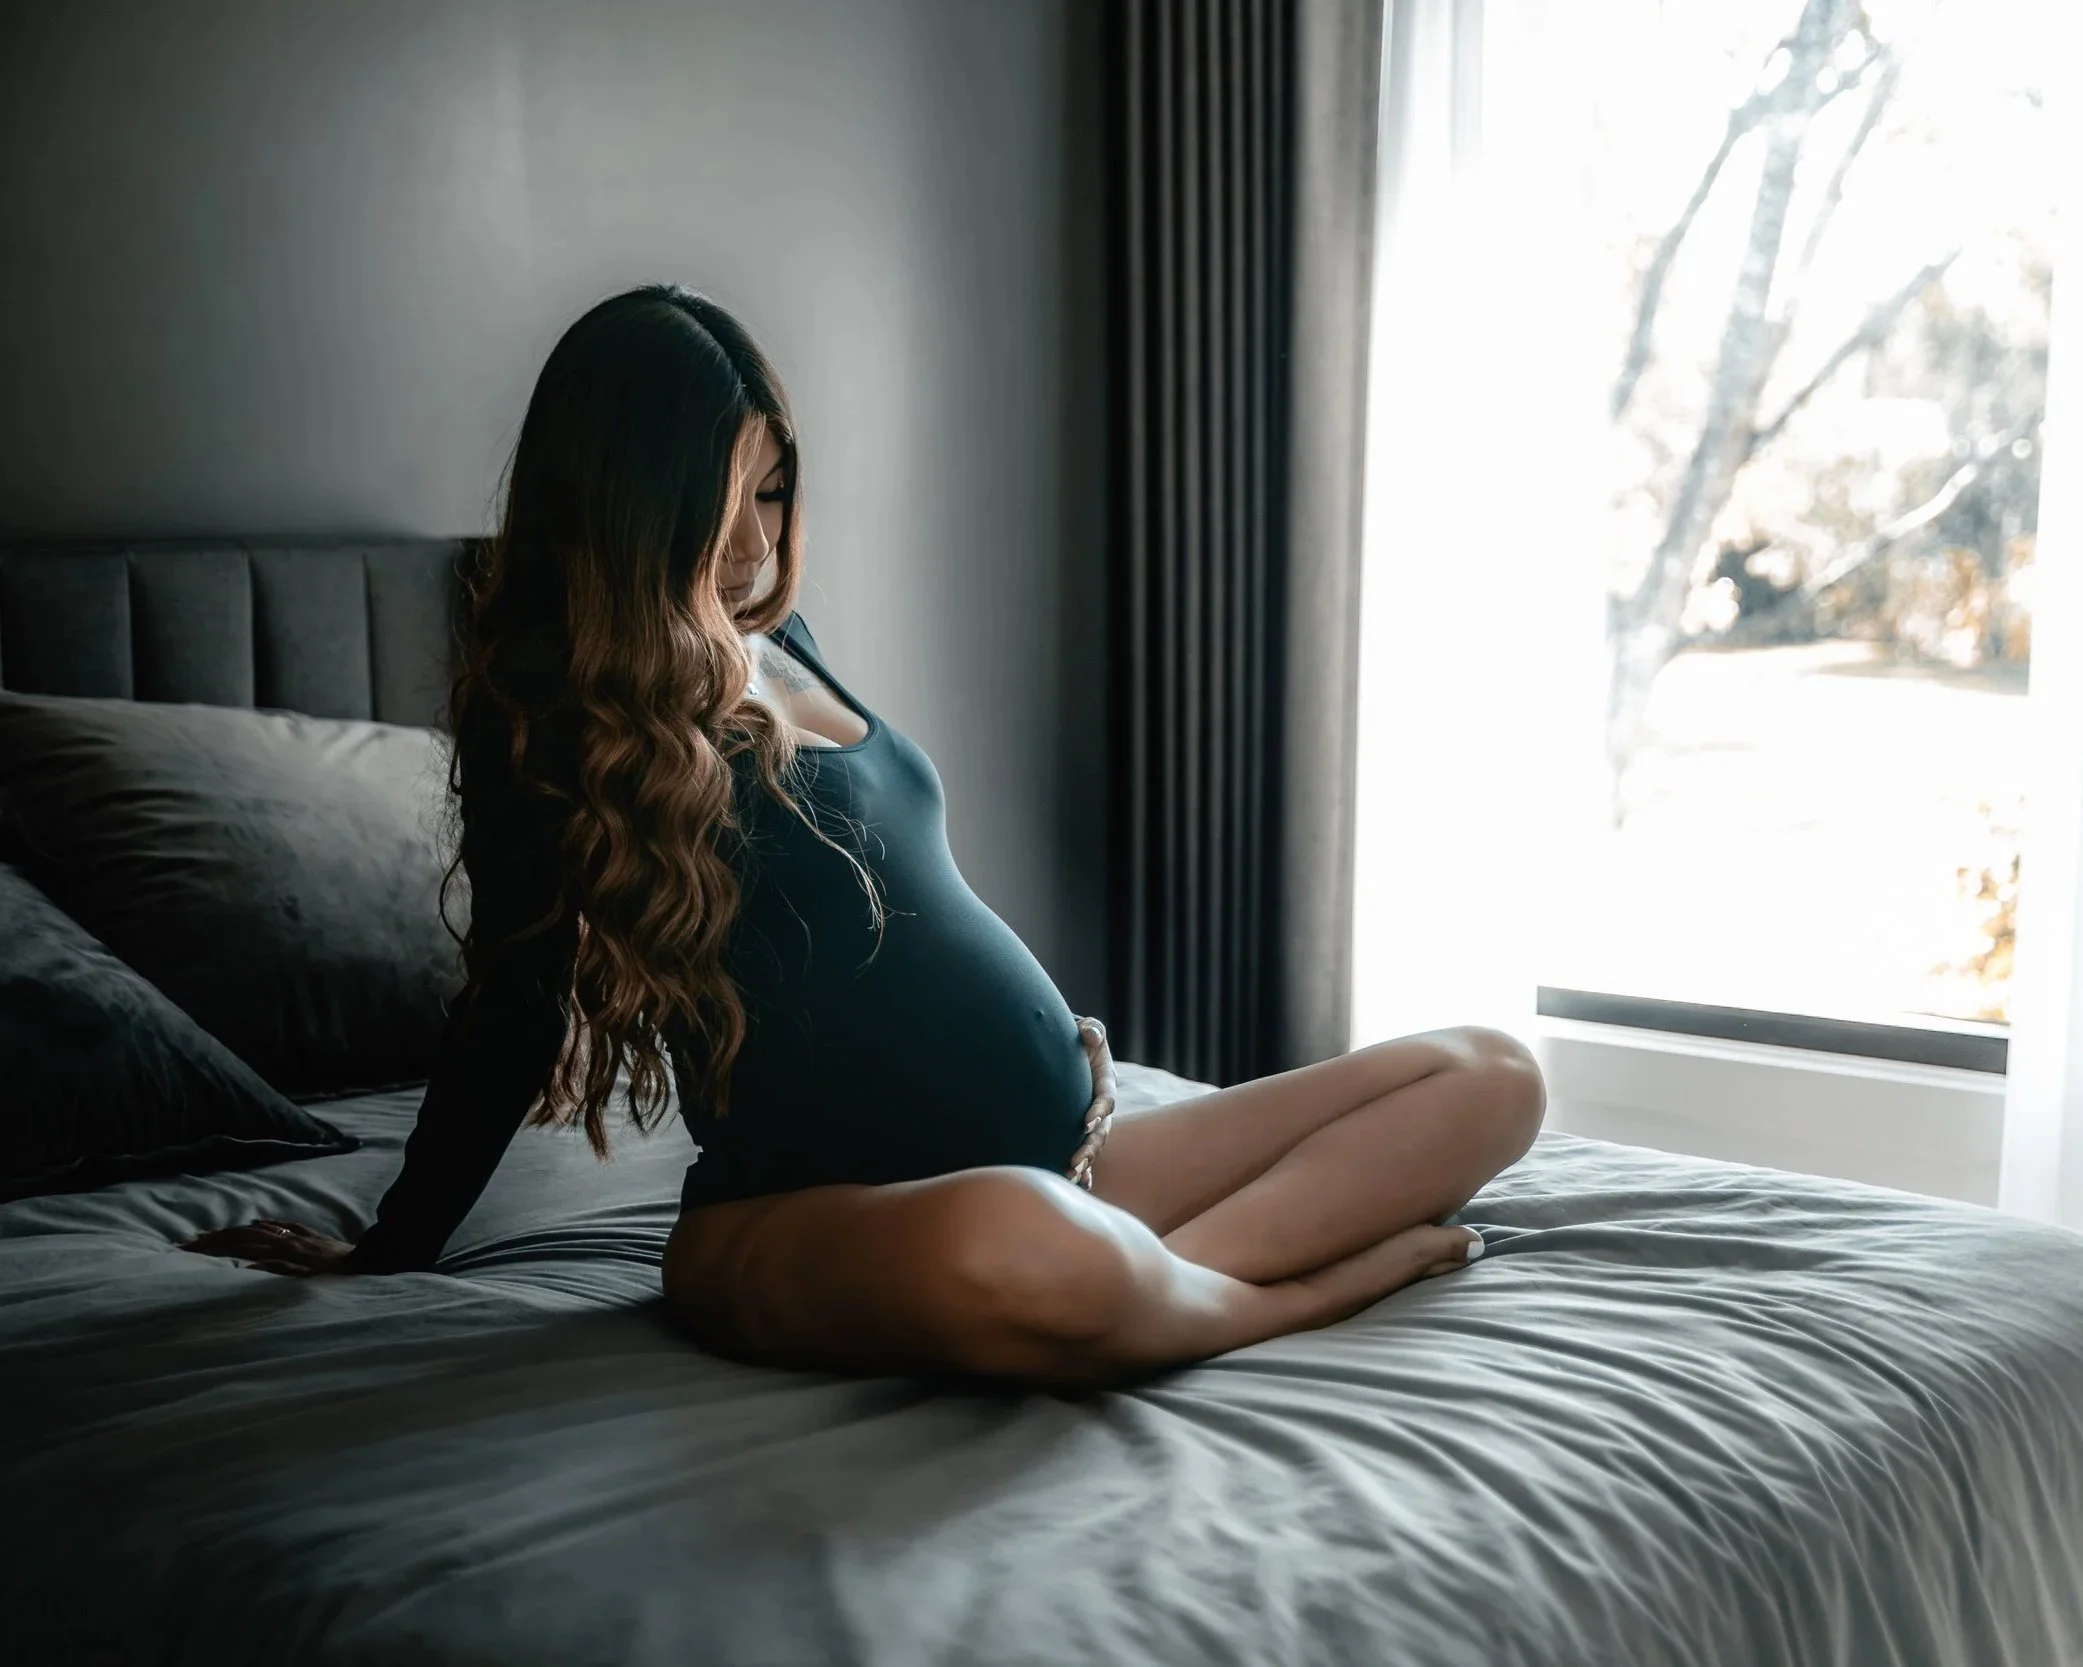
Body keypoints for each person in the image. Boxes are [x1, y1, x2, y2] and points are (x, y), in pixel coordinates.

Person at [181, 285, 1545, 1390]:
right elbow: (512, 1006)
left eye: (773, 493)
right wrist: (392, 1243)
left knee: (1491, 1074)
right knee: (1022, 1243)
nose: (752, 541)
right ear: (628, 503)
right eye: (722, 501)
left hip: (1067, 1148)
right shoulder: (551, 716)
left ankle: (1161, 1285)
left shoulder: (783, 642)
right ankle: (1279, 1294)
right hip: (802, 1220)